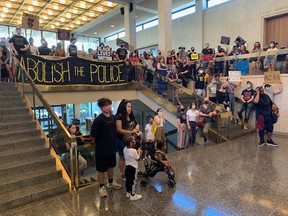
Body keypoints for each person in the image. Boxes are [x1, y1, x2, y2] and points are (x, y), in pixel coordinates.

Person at [90, 98, 122, 198]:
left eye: (109, 105)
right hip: (101, 149)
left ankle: (111, 182)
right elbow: (93, 136)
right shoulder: (98, 120)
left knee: (111, 166)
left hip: (112, 147)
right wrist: (97, 144)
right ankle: (101, 187)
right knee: (101, 169)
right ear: (101, 107)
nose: (108, 107)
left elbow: (115, 131)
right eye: (106, 105)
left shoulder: (113, 117)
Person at [115, 99, 139, 180]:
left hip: (130, 140)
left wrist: (136, 128)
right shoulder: (119, 116)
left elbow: (136, 123)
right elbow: (119, 129)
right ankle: (123, 173)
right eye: (128, 106)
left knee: (130, 156)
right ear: (124, 107)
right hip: (121, 140)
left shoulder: (131, 115)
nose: (130, 108)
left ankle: (130, 170)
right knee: (122, 157)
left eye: (130, 107)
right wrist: (131, 131)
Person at [123, 135, 142, 201]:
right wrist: (139, 151)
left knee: (128, 180)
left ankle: (128, 192)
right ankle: (133, 195)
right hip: (133, 168)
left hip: (127, 167)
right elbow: (138, 158)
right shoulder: (133, 150)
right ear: (131, 143)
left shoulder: (125, 148)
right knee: (133, 181)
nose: (135, 142)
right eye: (134, 141)